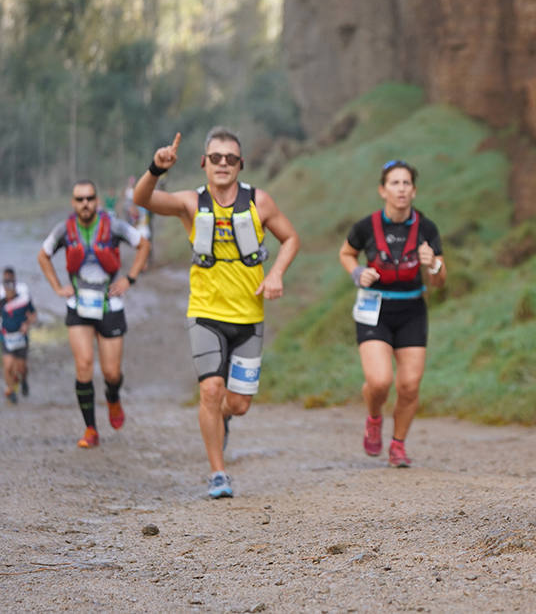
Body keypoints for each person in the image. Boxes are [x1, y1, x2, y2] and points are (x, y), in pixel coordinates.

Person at [133, 127, 300, 499]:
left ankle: (223, 418)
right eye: (215, 157)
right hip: (205, 313)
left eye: (230, 158)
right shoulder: (191, 203)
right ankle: (218, 474)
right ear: (204, 163)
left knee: (237, 404)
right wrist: (156, 168)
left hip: (249, 318)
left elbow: (291, 238)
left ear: (240, 164)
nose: (223, 164)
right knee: (210, 389)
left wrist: (275, 273)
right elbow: (142, 199)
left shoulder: (260, 201)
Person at [338, 160, 446, 467]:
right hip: (375, 309)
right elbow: (346, 253)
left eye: (406, 183)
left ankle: (397, 445)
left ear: (414, 190)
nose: (401, 189)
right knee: (380, 381)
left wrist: (434, 265)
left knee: (409, 385)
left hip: (412, 308)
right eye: (394, 183)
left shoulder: (426, 228)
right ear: (382, 190)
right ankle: (374, 417)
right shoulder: (365, 226)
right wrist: (357, 271)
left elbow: (439, 282)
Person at [37, 180, 151, 447]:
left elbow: (143, 245)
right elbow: (43, 256)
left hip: (109, 305)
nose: (85, 203)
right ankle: (90, 429)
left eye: (89, 198)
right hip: (78, 306)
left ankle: (113, 398)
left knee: (111, 372)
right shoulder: (64, 230)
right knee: (84, 365)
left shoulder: (113, 226)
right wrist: (56, 287)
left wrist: (129, 279)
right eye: (80, 199)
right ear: (73, 203)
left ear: (97, 201)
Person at [1, 267, 36, 403]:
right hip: (6, 338)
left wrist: (27, 324)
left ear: (15, 282)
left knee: (21, 368)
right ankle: (10, 391)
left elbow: (33, 315)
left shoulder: (24, 298)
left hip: (21, 338)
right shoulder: (1, 299)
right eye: (5, 281)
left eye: (10, 281)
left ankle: (24, 380)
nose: (8, 285)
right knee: (8, 365)